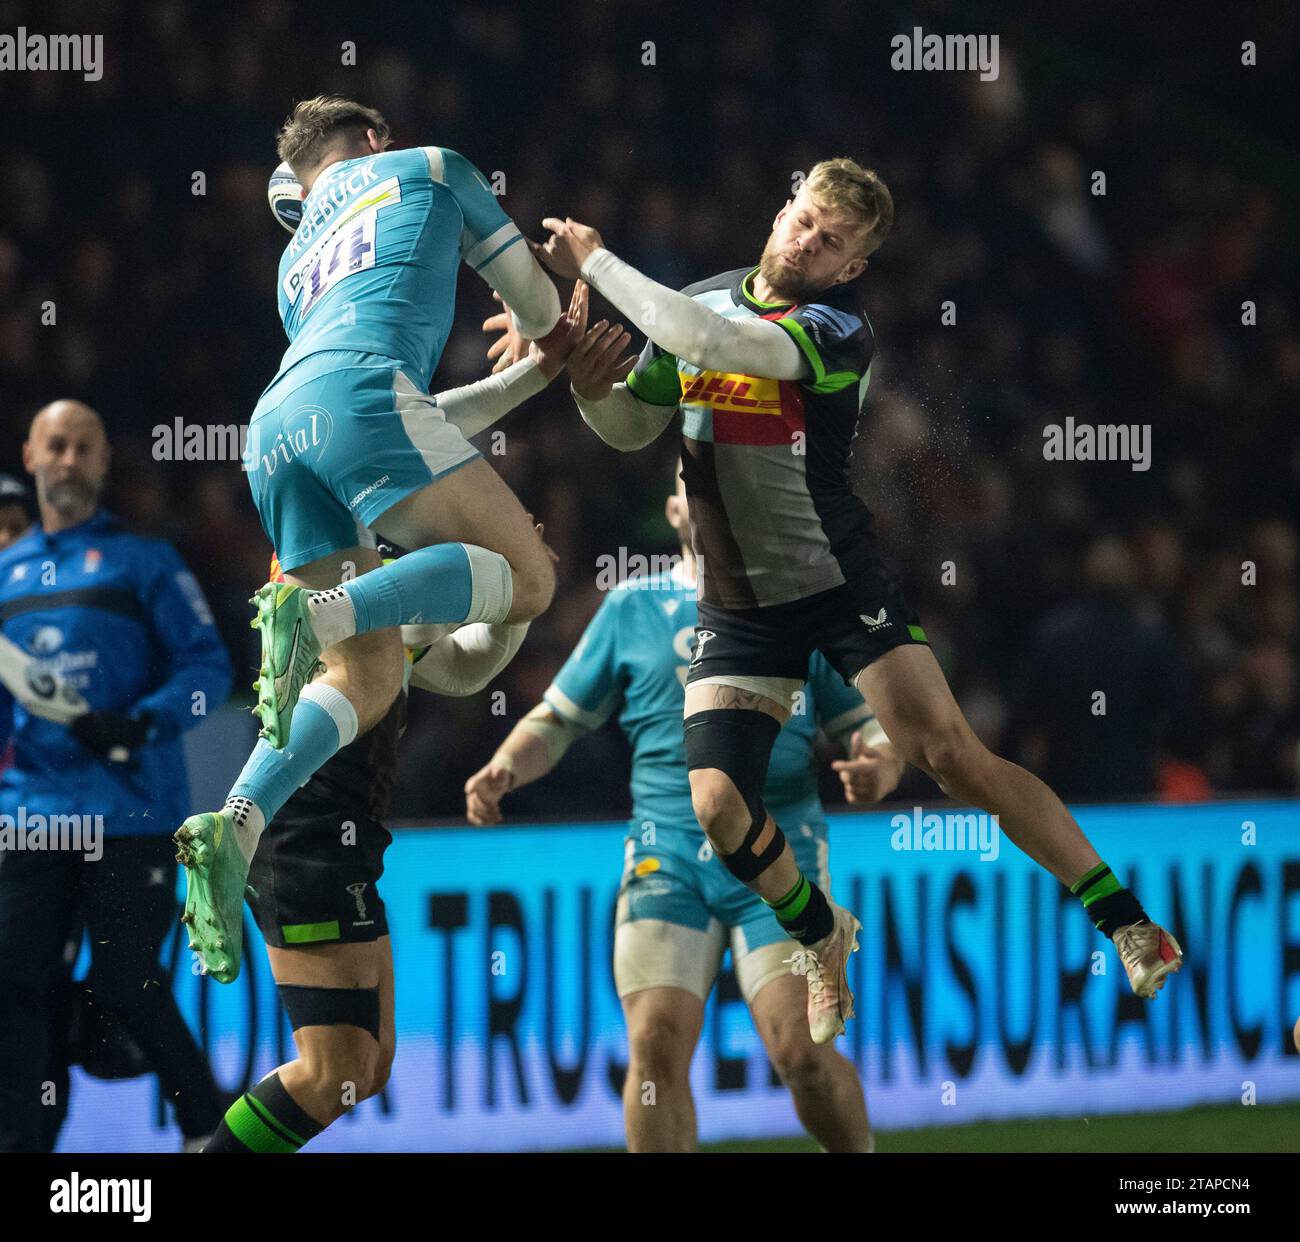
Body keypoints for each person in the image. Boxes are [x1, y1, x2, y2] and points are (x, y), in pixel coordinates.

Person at [537, 157, 1183, 1043]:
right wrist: (584, 385)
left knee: (951, 754)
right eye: (805, 220)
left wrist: (600, 265)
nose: (809, 242)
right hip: (737, 607)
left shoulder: (837, 330)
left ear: (853, 268)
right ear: (782, 208)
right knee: (720, 805)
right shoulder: (697, 301)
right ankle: (819, 930)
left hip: (836, 584)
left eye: (833, 242)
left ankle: (1125, 920)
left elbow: (721, 349)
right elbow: (630, 427)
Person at [176, 95, 582, 985]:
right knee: (530, 575)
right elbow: (536, 308)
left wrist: (527, 378)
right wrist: (550, 321)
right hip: (361, 398)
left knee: (364, 677)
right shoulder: (431, 166)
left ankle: (233, 823)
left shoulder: (293, 265)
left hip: (276, 427)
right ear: (371, 139)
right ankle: (317, 614)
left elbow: (399, 411)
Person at [203, 306, 575, 1153]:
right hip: (301, 826)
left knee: (362, 1069)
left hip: (342, 827)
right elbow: (433, 428)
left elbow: (461, 670)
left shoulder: (375, 568)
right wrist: (507, 572)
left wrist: (507, 591)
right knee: (330, 1069)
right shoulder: (354, 565)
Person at [465, 464, 904, 1151]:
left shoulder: (793, 608)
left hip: (777, 862)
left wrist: (880, 762)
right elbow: (559, 718)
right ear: (675, 512)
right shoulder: (631, 609)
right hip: (665, 855)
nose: (716, 496)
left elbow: (868, 723)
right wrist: (505, 767)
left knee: (800, 1052)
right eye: (698, 485)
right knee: (655, 1045)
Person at [0, 400, 232, 1151]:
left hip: (132, 814)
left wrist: (142, 722)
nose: (69, 460)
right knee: (15, 990)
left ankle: (207, 1129)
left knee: (126, 984)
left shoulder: (145, 561)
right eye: (56, 446)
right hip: (30, 815)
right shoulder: (3, 574)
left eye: (84, 449)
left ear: (102, 464)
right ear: (31, 457)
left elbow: (209, 670)